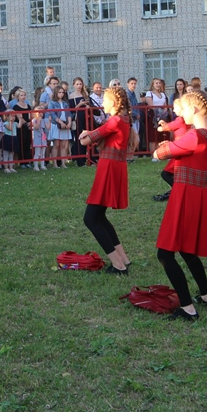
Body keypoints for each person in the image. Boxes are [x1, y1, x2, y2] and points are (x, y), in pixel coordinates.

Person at [152, 90, 207, 321]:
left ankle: (188, 308)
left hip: (186, 196)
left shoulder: (194, 136)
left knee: (165, 254)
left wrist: (163, 147)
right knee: (187, 250)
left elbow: (160, 153)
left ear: (193, 110)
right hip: (200, 196)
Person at [78, 86, 133, 275]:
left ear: (114, 103)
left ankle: (118, 265)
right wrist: (91, 133)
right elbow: (100, 134)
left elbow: (86, 141)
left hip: (109, 169)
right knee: (99, 216)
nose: (102, 103)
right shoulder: (123, 119)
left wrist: (85, 134)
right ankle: (123, 258)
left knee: (91, 218)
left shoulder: (115, 120)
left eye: (105, 100)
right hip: (114, 167)